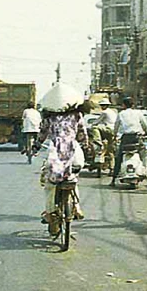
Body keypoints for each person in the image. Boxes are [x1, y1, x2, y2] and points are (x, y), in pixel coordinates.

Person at [36, 83, 89, 233]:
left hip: (55, 153)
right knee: (73, 179)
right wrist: (86, 146)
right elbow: (82, 135)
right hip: (74, 152)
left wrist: (35, 147)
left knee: (49, 185)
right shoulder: (77, 116)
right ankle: (77, 207)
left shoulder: (49, 118)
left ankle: (50, 213)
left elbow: (42, 136)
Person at [110, 97, 147, 186]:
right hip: (136, 138)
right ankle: (145, 170)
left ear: (123, 105)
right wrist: (146, 132)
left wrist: (114, 136)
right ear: (133, 105)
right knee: (144, 154)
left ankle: (113, 179)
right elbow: (144, 124)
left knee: (119, 157)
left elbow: (116, 126)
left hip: (125, 138)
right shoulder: (138, 113)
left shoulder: (121, 114)